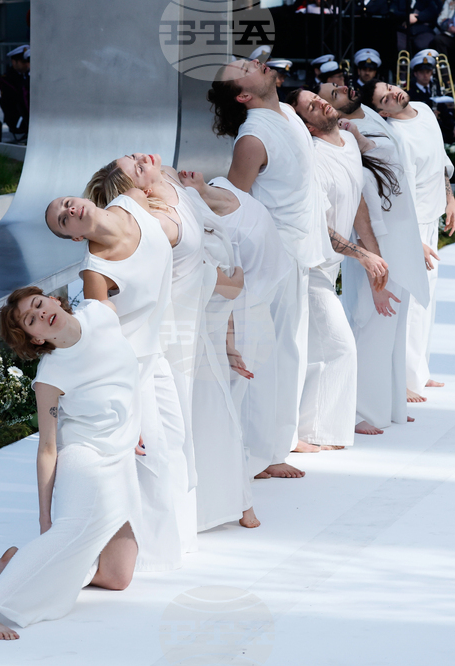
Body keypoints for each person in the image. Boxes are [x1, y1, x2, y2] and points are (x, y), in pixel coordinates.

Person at [0, 289, 140, 640]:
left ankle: (19, 562)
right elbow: (47, 447)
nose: (40, 315)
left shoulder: (102, 314)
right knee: (69, 530)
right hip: (85, 459)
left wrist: (136, 423)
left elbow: (124, 374)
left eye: (39, 305)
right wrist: (45, 518)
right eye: (31, 320)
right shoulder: (50, 376)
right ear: (35, 338)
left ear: (54, 301)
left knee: (117, 577)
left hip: (119, 456)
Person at [98, 153, 248, 543]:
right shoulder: (157, 225)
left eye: (132, 155)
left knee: (214, 409)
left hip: (201, 317)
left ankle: (231, 500)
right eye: (135, 166)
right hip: (176, 332)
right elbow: (165, 273)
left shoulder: (164, 179)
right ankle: (178, 515)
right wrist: (230, 283)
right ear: (138, 188)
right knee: (189, 422)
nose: (140, 158)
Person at [45, 189, 186, 572]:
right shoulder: (96, 271)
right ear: (75, 235)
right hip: (131, 368)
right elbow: (105, 342)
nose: (68, 208)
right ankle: (148, 558)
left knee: (175, 443)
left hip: (158, 349)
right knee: (149, 459)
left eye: (66, 202)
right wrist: (125, 407)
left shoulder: (129, 201)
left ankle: (174, 538)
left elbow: (156, 181)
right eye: (63, 218)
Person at [207, 58, 332, 478]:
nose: (253, 61)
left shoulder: (291, 114)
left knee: (291, 349)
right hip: (271, 254)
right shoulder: (253, 138)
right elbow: (234, 204)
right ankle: (260, 454)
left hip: (300, 249)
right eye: (241, 68)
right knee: (265, 353)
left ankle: (282, 436)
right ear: (243, 95)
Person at [317, 81, 429, 430]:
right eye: (332, 94)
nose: (342, 89)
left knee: (391, 332)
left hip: (399, 245)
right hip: (378, 252)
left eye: (338, 86)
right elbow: (366, 219)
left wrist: (413, 241)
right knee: (372, 328)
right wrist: (375, 274)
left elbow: (398, 193)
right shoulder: (344, 146)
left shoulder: (370, 124)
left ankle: (390, 403)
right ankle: (361, 410)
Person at [177, 171, 297, 483]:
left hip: (275, 279)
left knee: (271, 372)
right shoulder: (199, 222)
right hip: (245, 299)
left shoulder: (221, 185)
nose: (177, 174)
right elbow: (226, 279)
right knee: (248, 382)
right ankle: (248, 460)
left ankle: (265, 453)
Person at [288, 89, 390, 450]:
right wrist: (362, 256)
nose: (321, 103)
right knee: (338, 346)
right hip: (308, 264)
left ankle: (318, 427)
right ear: (307, 125)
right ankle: (310, 433)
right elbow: (315, 225)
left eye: (317, 97)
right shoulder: (311, 157)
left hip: (330, 267)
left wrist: (374, 261)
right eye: (310, 107)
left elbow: (358, 201)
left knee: (321, 348)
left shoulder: (347, 139)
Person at [367, 80, 455, 402]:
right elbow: (399, 190)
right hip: (412, 224)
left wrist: (450, 199)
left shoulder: (427, 111)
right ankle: (403, 378)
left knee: (427, 297)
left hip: (431, 217)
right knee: (411, 301)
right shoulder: (397, 136)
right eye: (385, 98)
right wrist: (412, 240)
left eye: (390, 87)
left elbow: (440, 160)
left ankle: (420, 371)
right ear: (382, 111)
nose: (393, 93)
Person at [0, 45, 30, 139]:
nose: (27, 65)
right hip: (19, 118)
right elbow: (20, 97)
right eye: (24, 62)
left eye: (28, 61)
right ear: (14, 62)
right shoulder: (7, 79)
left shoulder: (28, 75)